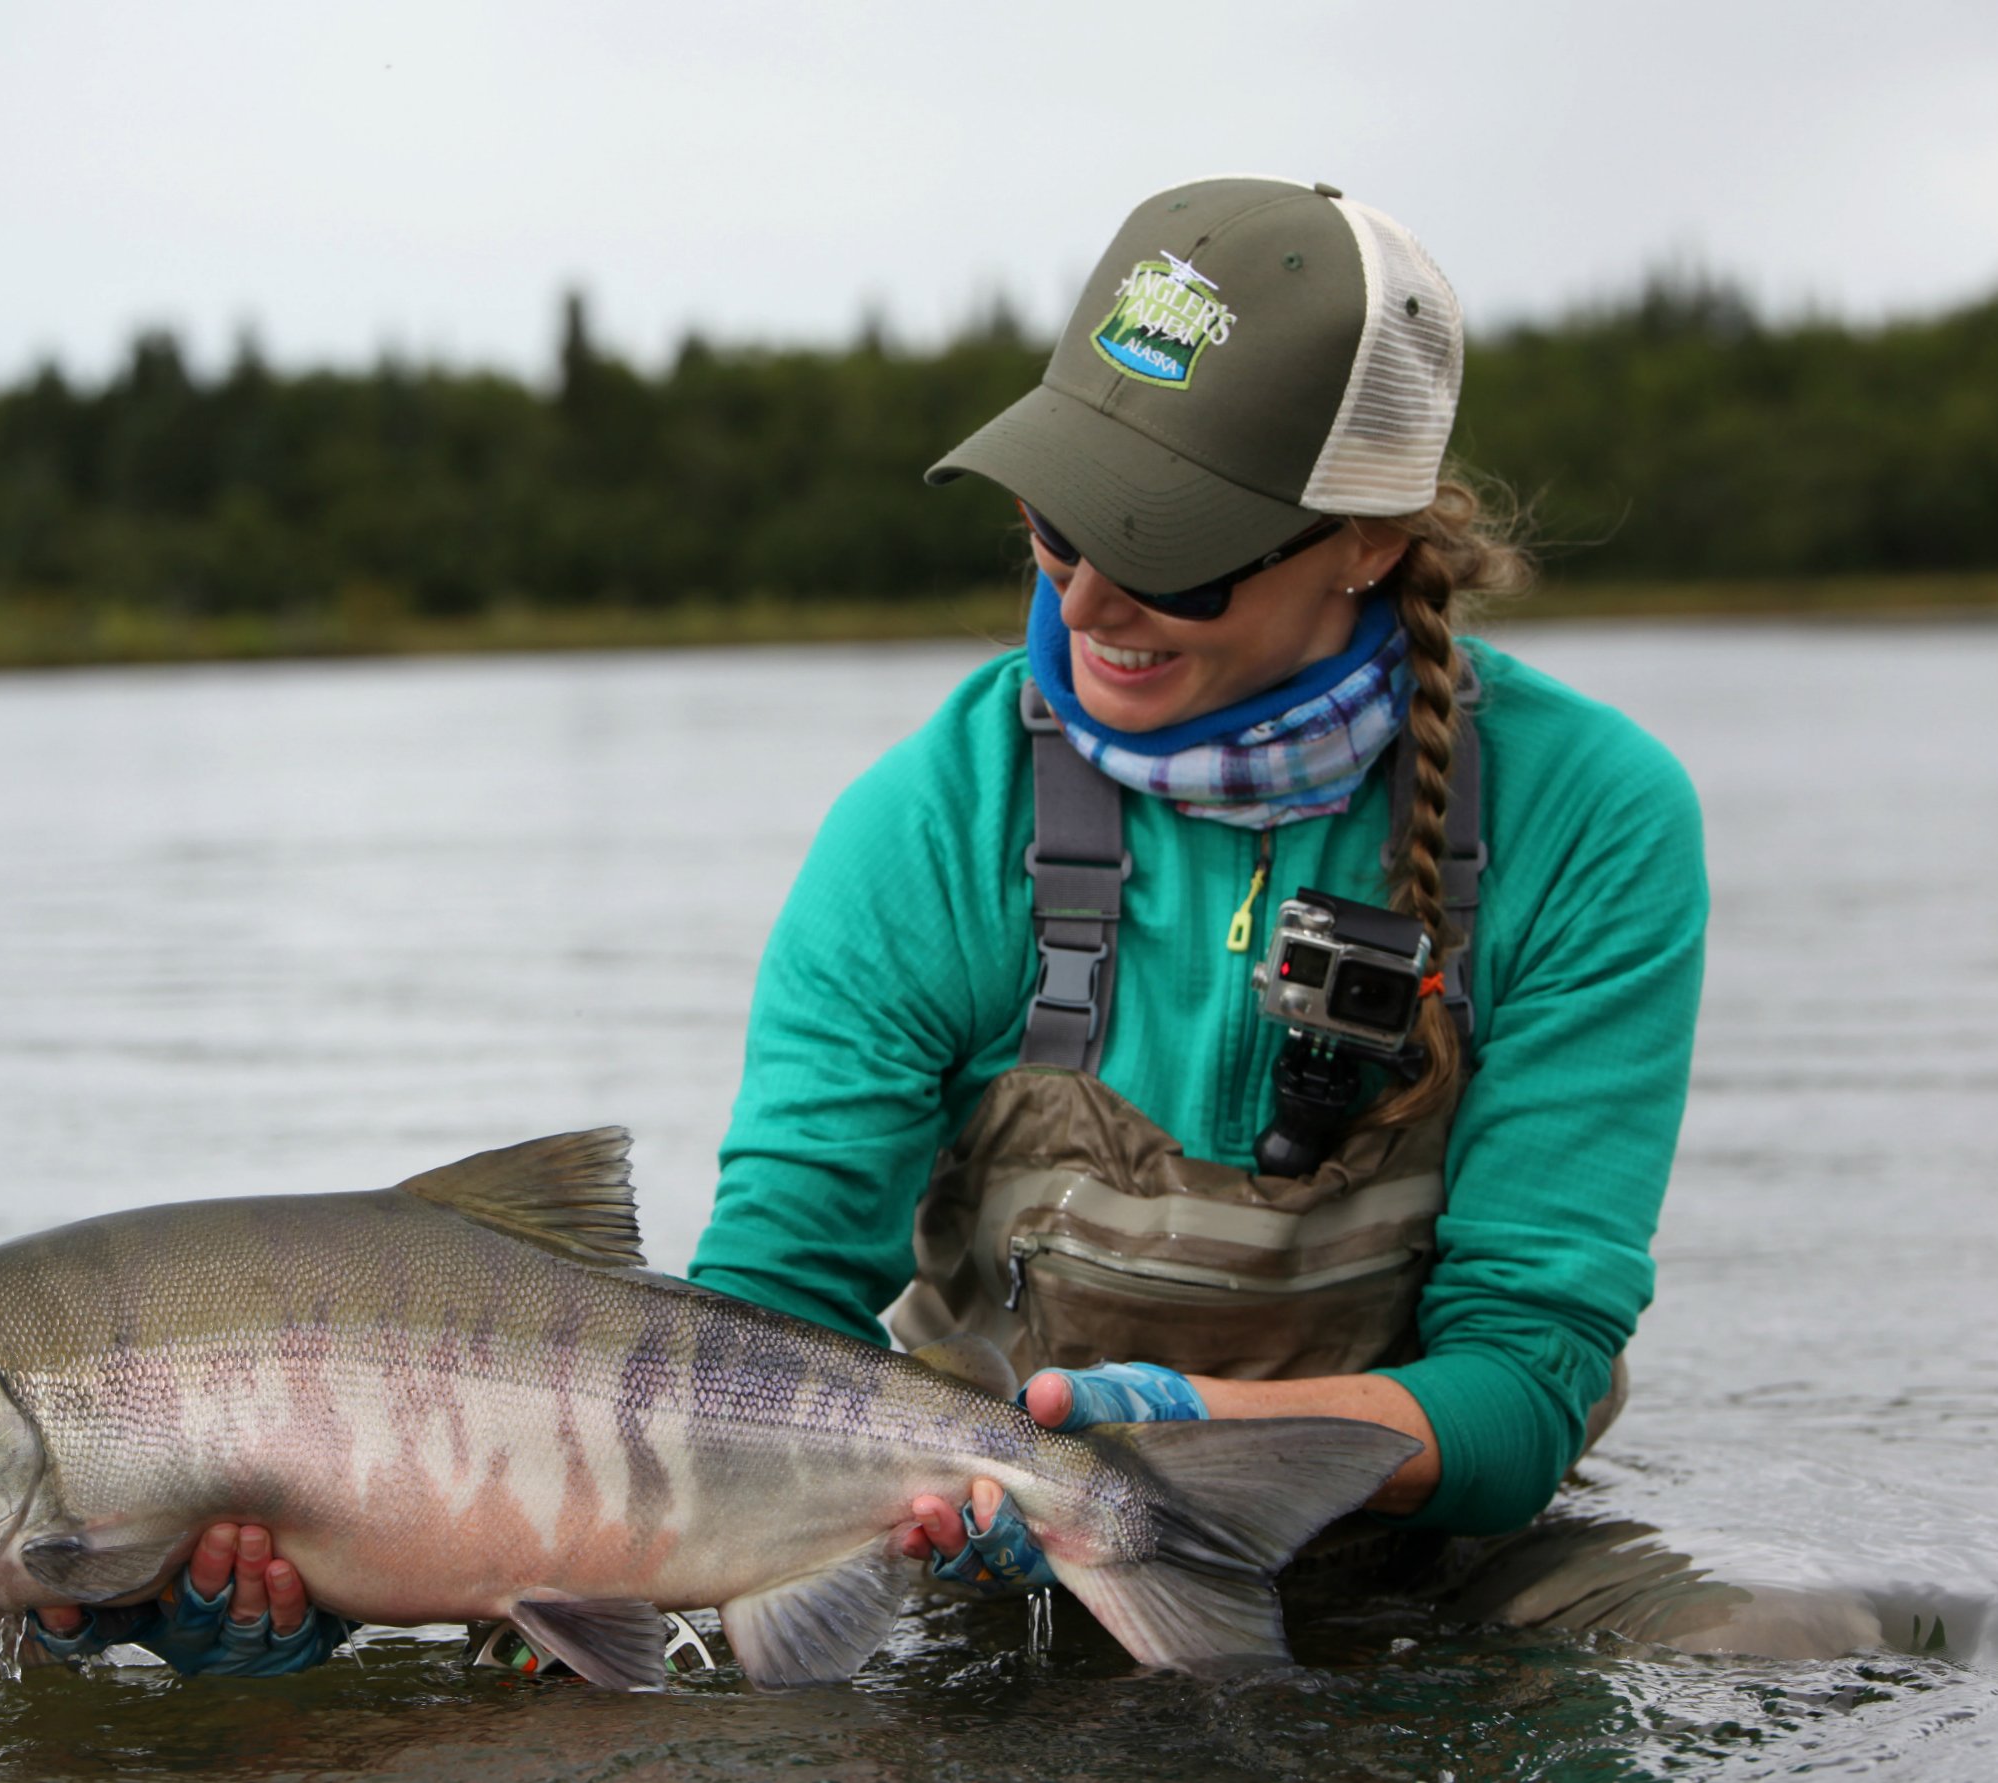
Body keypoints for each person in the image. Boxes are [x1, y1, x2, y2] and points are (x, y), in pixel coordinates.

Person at [683, 173, 1724, 1627]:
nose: (1090, 604)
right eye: (1059, 523)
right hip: (999, 1560)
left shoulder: (1589, 811)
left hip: (1432, 1566)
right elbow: (762, 1312)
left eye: (1169, 555)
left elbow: (1521, 1385)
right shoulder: (925, 822)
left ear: (1366, 541)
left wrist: (1180, 1426)